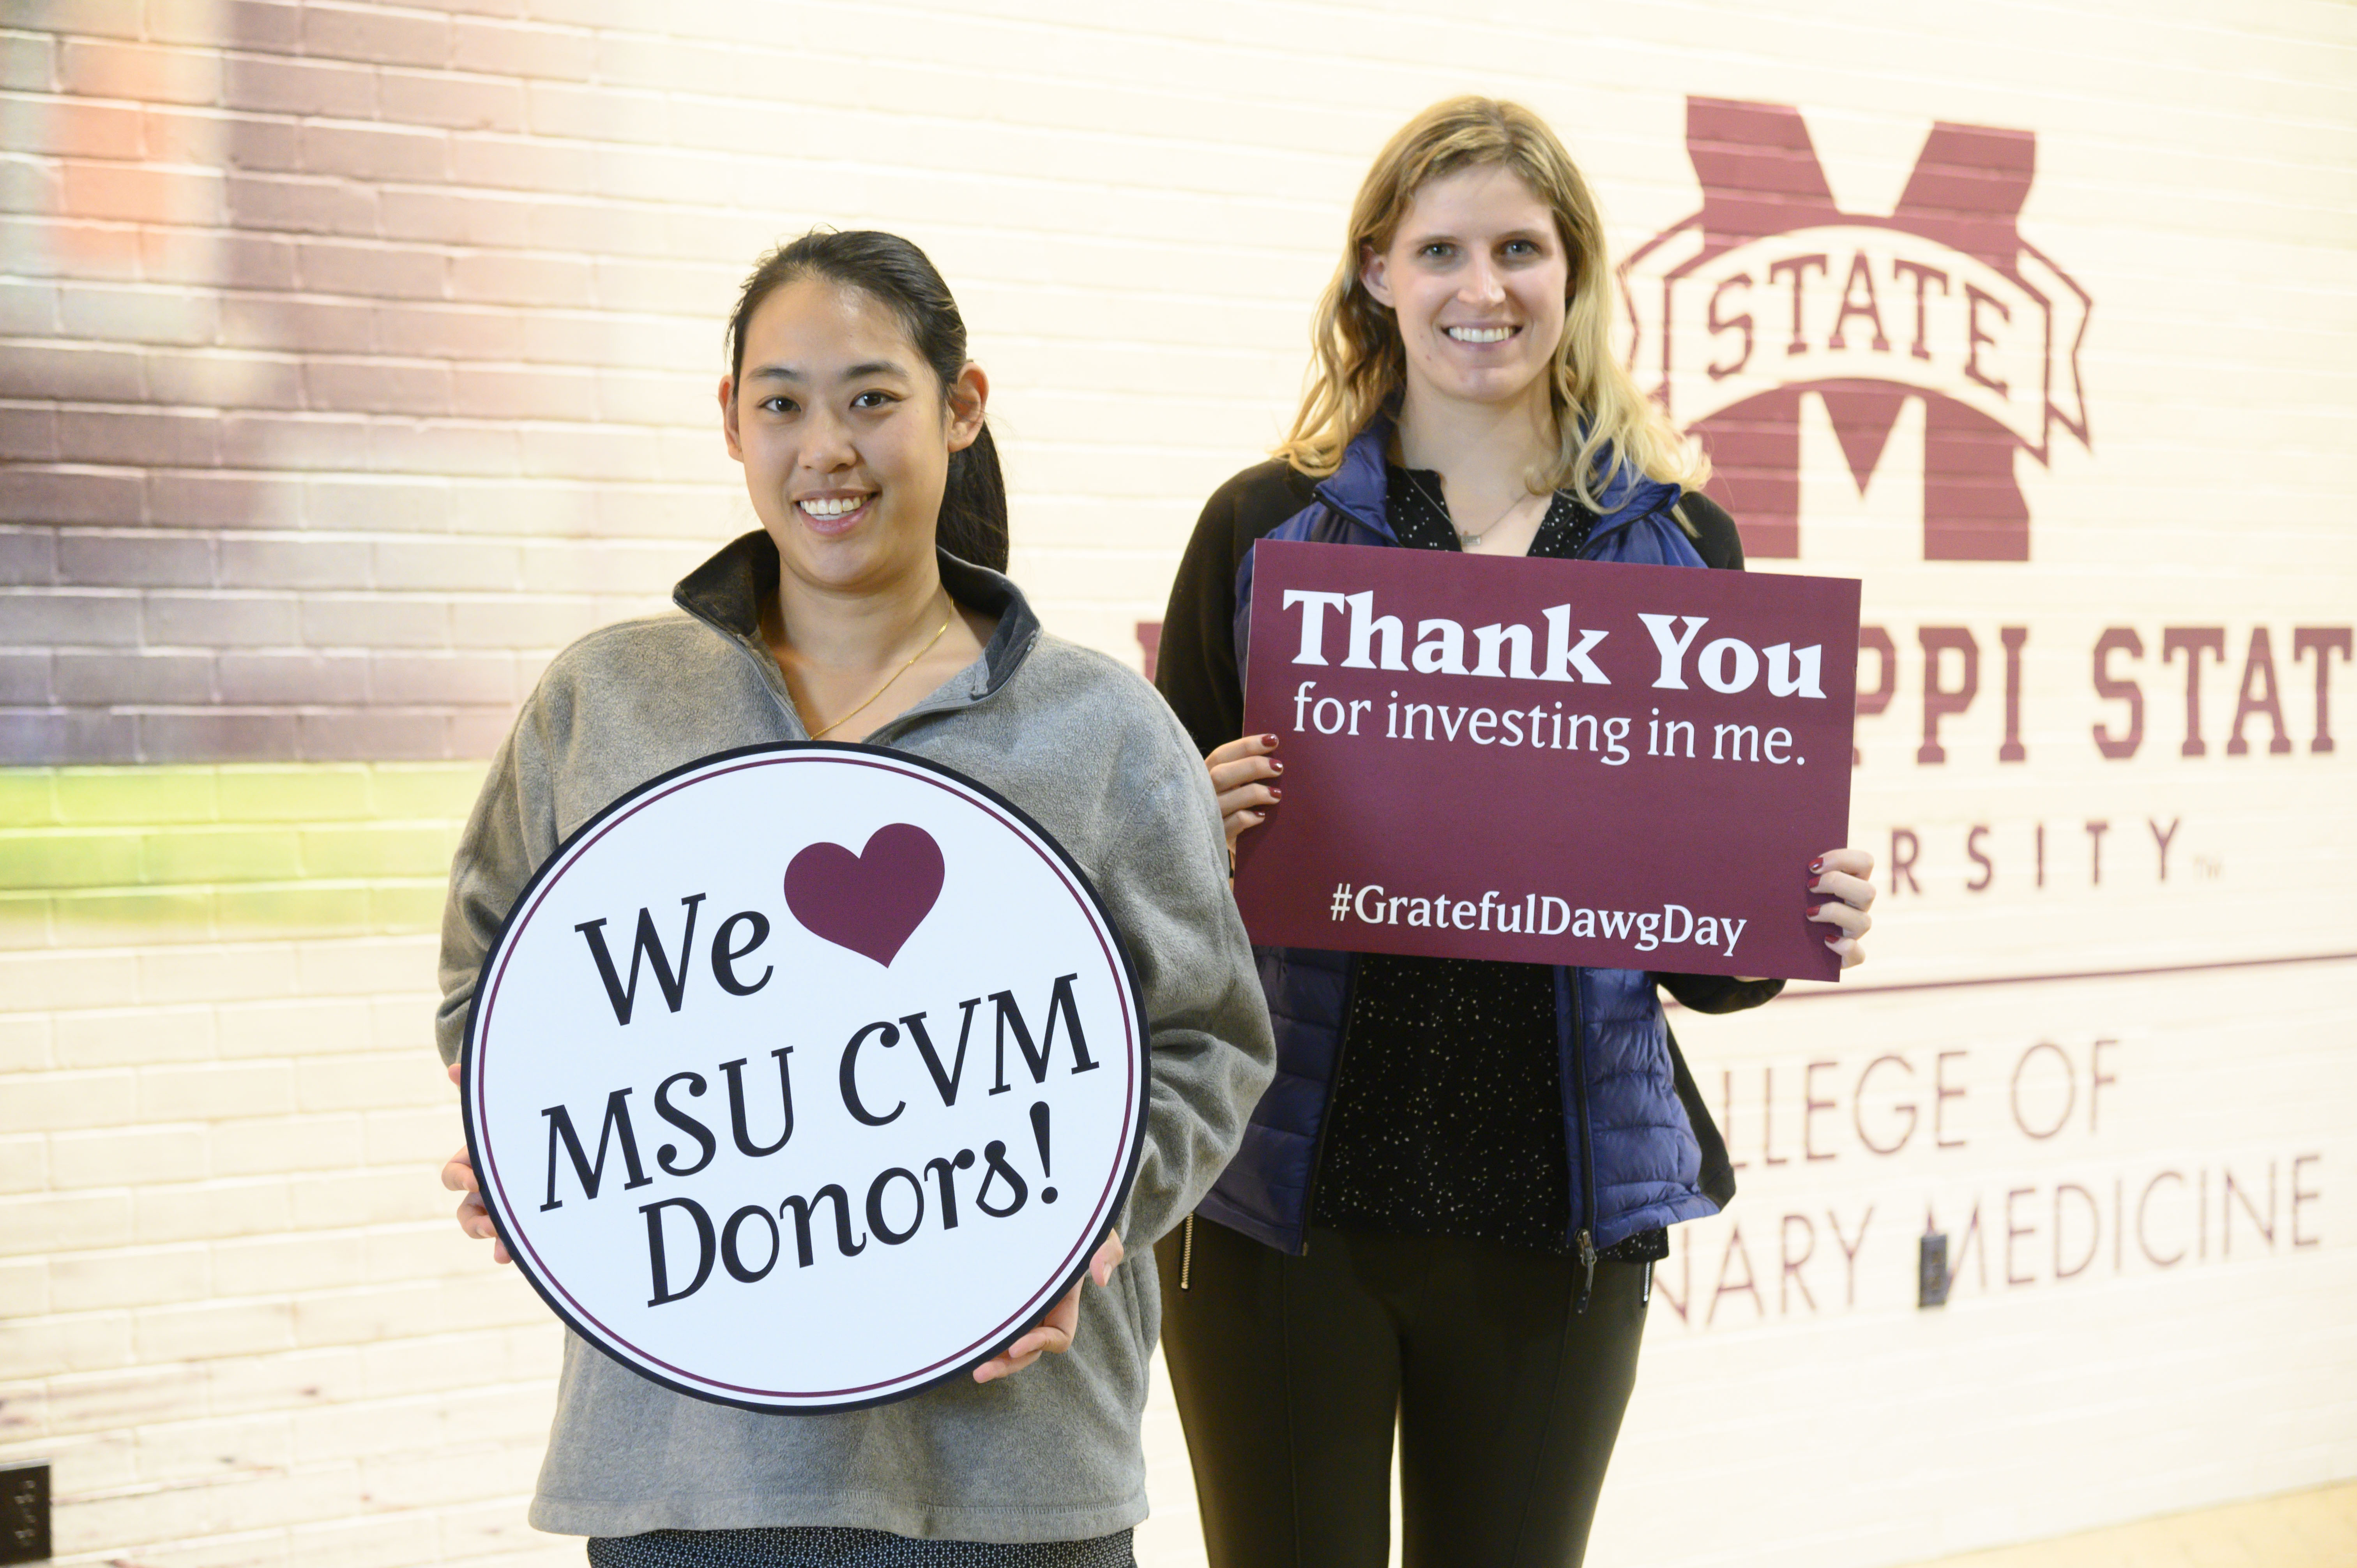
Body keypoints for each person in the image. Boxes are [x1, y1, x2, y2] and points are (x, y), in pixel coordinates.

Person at [433, 230, 1274, 1568]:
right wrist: (540, 1127)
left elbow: (1209, 1045)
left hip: (1011, 1473)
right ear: (732, 423)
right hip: (683, 1471)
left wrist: (1085, 1222)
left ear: (962, 406)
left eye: (871, 399)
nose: (825, 447)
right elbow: (495, 981)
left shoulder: (1104, 729)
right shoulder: (608, 700)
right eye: (782, 403)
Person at [1149, 98, 1877, 1568]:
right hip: (1284, 1214)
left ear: (1578, 272)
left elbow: (1710, 974)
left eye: (1521, 250)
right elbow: (1159, 918)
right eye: (1440, 250)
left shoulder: (1677, 542)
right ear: (1375, 274)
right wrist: (1197, 832)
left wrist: (1792, 904)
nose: (1483, 290)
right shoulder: (1262, 530)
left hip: (1558, 1225)